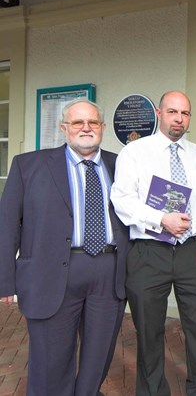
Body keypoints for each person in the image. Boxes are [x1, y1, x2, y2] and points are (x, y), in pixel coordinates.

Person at [0, 99, 132, 395]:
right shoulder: (28, 165)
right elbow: (7, 224)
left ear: (103, 127)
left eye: (93, 122)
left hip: (108, 271)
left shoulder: (121, 164)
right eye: (77, 122)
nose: (86, 128)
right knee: (50, 359)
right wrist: (5, 279)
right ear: (64, 128)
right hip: (51, 271)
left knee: (99, 355)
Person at [111, 90, 196, 396]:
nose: (179, 118)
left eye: (185, 113)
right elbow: (121, 200)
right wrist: (161, 218)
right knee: (149, 331)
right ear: (159, 114)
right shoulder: (134, 153)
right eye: (172, 112)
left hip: (193, 251)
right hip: (150, 252)